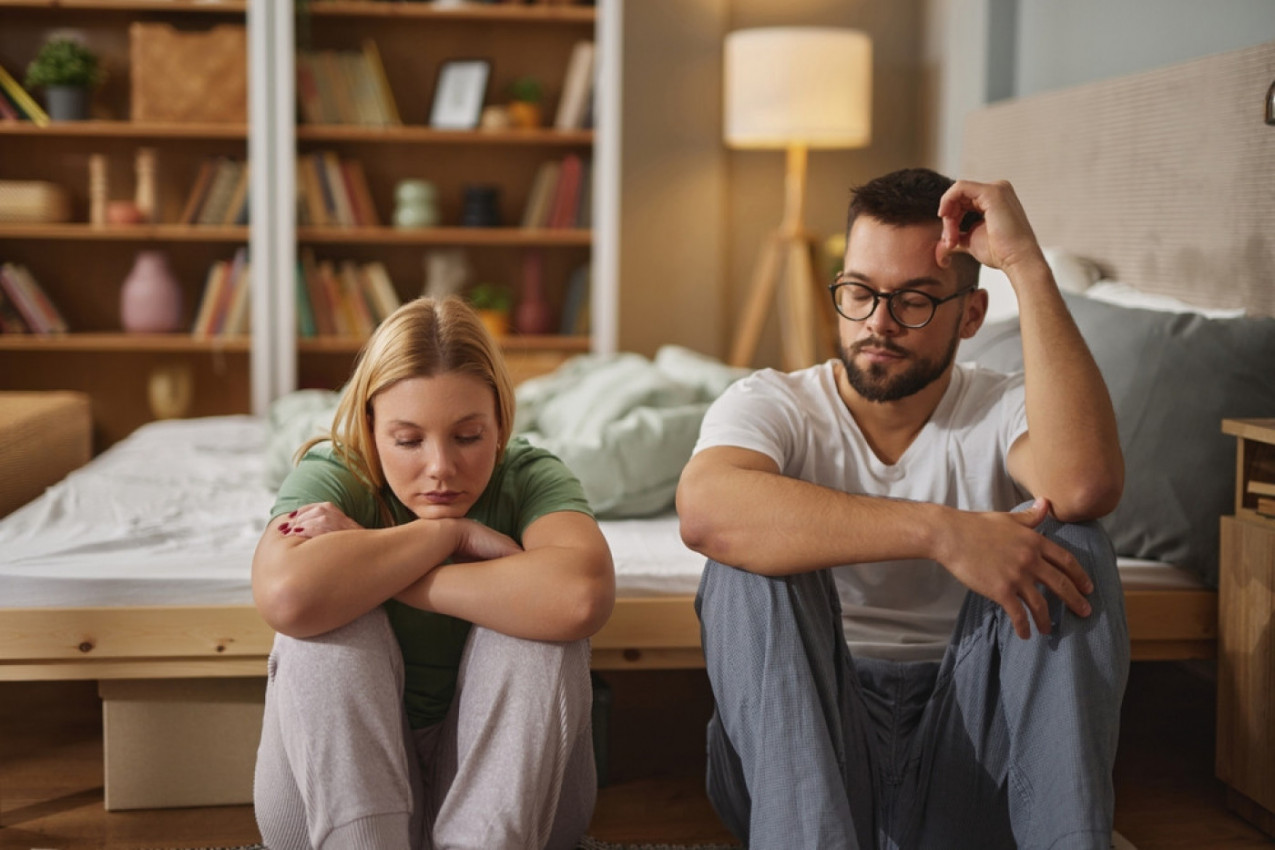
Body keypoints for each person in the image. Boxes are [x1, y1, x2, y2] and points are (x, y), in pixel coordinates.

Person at [676, 168, 1129, 850]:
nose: (877, 324)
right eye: (857, 293)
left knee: (1075, 539)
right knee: (743, 556)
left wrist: (1025, 265)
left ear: (970, 316)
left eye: (914, 301)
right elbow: (706, 511)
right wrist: (940, 532)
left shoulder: (1002, 406)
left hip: (970, 753)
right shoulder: (772, 402)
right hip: (803, 757)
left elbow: (1087, 484)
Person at [251, 296, 615, 850]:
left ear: (500, 426)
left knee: (543, 632)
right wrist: (449, 535)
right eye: (408, 440)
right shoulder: (334, 472)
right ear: (371, 429)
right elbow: (287, 596)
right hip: (330, 805)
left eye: (468, 436)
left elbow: (580, 598)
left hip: (516, 811)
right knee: (323, 627)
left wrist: (379, 561)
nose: (440, 467)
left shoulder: (530, 476)